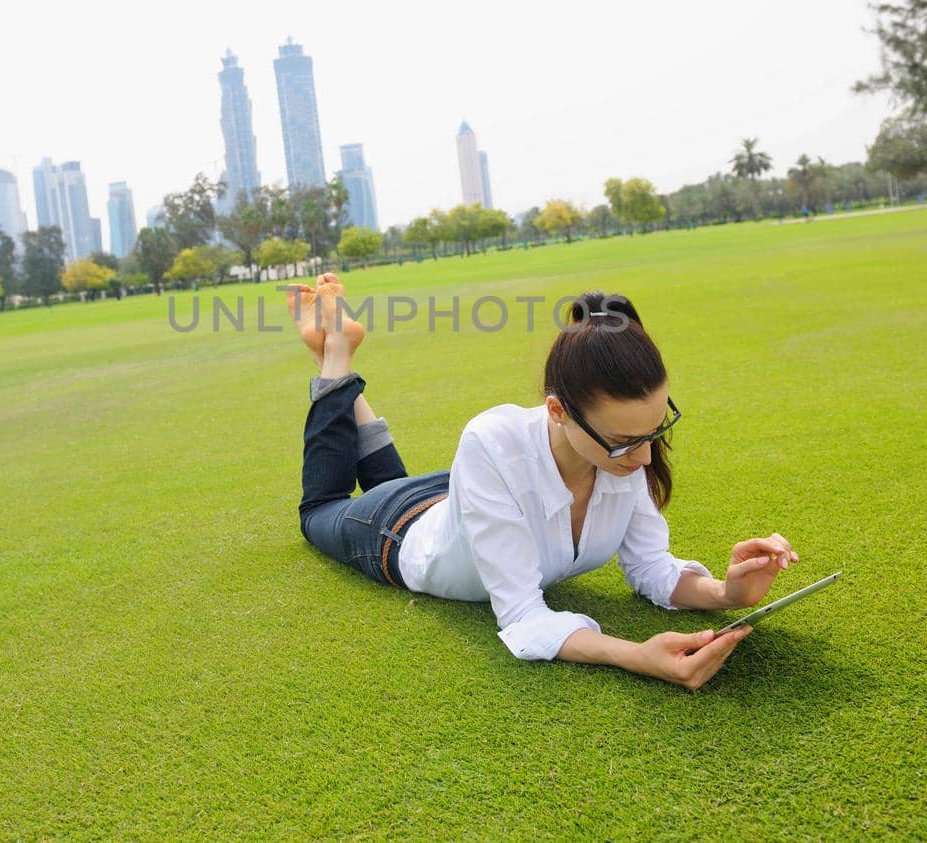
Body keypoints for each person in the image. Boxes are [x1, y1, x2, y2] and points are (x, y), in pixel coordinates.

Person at [286, 273, 800, 690]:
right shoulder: (493, 440)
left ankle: (339, 366)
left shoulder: (620, 453)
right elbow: (522, 615)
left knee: (398, 483)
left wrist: (726, 593)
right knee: (321, 509)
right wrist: (635, 656)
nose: (644, 457)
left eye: (654, 431)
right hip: (396, 530)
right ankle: (335, 358)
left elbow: (650, 567)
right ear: (557, 410)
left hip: (463, 503)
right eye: (623, 441)